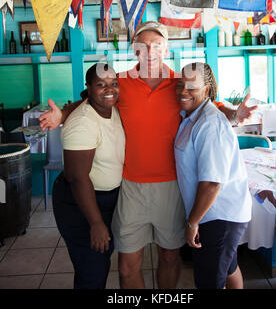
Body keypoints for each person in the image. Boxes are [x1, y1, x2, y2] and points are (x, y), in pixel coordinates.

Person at [40, 21, 256, 289]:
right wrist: (62, 114)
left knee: (169, 256)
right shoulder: (121, 83)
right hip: (131, 186)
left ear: (166, 48)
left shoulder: (180, 83)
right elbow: (89, 101)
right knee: (128, 263)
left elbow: (208, 103)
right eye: (143, 45)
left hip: (171, 187)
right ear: (135, 49)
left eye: (157, 45)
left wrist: (234, 114)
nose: (150, 51)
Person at [174, 62, 252, 289]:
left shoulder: (210, 123)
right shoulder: (193, 116)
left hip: (218, 216)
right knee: (228, 268)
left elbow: (211, 183)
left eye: (191, 86)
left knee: (209, 281)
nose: (183, 91)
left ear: (207, 90)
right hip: (213, 213)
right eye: (180, 85)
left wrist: (192, 222)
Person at [52, 63, 125, 289]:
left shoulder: (111, 108)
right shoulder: (83, 122)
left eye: (113, 84)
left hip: (107, 198)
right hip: (81, 203)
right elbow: (78, 178)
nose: (109, 89)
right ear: (89, 88)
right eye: (100, 85)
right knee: (92, 271)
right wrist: (96, 223)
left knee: (99, 263)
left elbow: (86, 101)